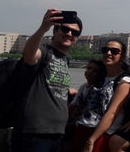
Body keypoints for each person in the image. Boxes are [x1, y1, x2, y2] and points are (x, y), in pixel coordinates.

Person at [14, 8, 82, 152]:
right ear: (55, 31)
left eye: (75, 33)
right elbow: (29, 54)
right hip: (35, 132)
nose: (69, 34)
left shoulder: (65, 60)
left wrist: (67, 91)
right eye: (65, 29)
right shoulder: (44, 52)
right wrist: (43, 28)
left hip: (57, 132)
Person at [80, 40, 130, 152]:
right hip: (84, 128)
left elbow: (112, 113)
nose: (109, 53)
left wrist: (92, 140)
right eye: (105, 50)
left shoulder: (125, 81)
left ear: (122, 57)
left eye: (114, 51)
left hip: (102, 134)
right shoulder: (100, 77)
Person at [69, 60, 107, 151]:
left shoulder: (100, 89)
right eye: (89, 68)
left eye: (95, 71)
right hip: (81, 124)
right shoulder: (83, 87)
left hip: (92, 126)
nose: (90, 72)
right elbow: (73, 105)